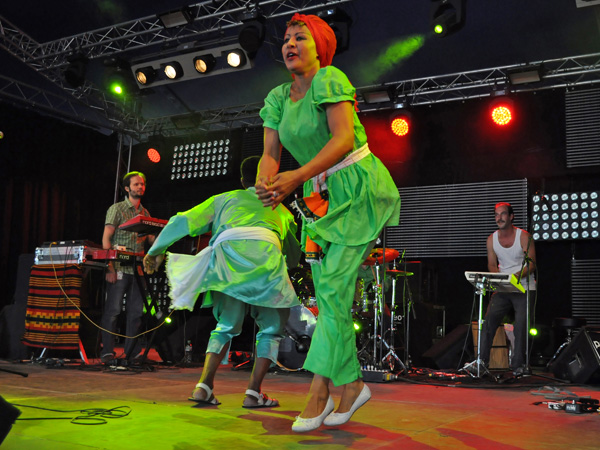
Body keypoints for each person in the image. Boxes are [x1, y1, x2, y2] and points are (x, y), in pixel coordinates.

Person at [256, 14, 401, 431]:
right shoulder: (279, 98)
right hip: (320, 196)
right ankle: (351, 384)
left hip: (357, 187)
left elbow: (341, 140)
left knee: (334, 289)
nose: (290, 44)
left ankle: (320, 391)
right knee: (328, 295)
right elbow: (270, 152)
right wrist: (265, 183)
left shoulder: (330, 79)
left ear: (320, 47)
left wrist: (296, 177)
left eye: (300, 37)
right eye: (285, 38)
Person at [142, 156, 301, 408]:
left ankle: (203, 386)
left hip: (228, 264)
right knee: (271, 330)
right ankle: (253, 393)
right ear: (268, 179)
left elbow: (182, 220)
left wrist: (155, 250)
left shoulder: (225, 198)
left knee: (225, 325)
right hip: (267, 266)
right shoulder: (280, 208)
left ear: (241, 181)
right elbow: (293, 255)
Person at [101, 171, 155, 364]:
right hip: (120, 267)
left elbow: (151, 240)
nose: (140, 187)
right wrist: (110, 267)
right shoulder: (117, 209)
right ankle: (107, 352)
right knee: (113, 311)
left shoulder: (145, 213)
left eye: (142, 184)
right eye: (136, 185)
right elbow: (106, 239)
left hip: (138, 270)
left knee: (136, 314)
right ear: (127, 188)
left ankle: (132, 353)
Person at [480, 202, 536, 375]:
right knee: (488, 321)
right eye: (496, 215)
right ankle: (482, 363)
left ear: (511, 216)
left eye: (503, 214)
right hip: (503, 287)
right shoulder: (491, 239)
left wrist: (515, 278)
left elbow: (532, 264)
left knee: (520, 325)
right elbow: (491, 265)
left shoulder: (524, 236)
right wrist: (500, 281)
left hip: (524, 286)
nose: (499, 218)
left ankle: (518, 365)